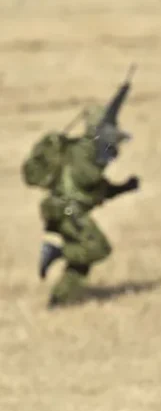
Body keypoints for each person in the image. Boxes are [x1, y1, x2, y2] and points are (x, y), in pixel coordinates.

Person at [36, 105, 139, 308]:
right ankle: (55, 252)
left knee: (82, 262)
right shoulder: (85, 152)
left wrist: (124, 187)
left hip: (65, 209)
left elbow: (93, 189)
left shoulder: (86, 151)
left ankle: (59, 300)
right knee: (98, 248)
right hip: (67, 211)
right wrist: (107, 151)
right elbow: (89, 180)